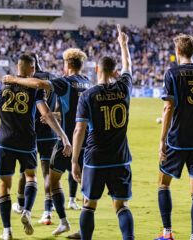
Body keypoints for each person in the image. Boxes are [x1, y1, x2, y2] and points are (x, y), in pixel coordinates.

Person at [2, 48, 92, 236]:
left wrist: (15, 79)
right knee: (84, 183)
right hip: (86, 140)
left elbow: (40, 84)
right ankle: (82, 229)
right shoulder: (87, 83)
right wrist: (58, 114)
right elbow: (79, 109)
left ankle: (64, 221)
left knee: (52, 180)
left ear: (67, 64)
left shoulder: (66, 82)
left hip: (68, 140)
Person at [0, 54, 71, 240]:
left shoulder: (1, 85)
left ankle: (7, 231)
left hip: (4, 141)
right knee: (31, 177)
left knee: (4, 185)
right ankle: (27, 212)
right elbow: (46, 114)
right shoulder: (34, 89)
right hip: (27, 141)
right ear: (33, 69)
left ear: (17, 66)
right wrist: (63, 136)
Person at [71, 24, 134, 240]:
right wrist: (123, 45)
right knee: (122, 206)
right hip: (120, 157)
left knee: (89, 205)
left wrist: (74, 161)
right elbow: (129, 66)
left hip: (95, 158)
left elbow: (79, 129)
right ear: (115, 72)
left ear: (96, 70)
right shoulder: (124, 88)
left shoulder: (88, 96)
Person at [154, 34, 193, 240]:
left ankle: (167, 233)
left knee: (163, 183)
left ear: (178, 51)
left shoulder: (172, 73)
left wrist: (162, 140)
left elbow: (168, 106)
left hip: (177, 140)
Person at [11, 53, 59, 225]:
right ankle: (48, 210)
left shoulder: (28, 80)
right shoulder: (53, 77)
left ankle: (22, 205)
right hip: (50, 131)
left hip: (30, 131)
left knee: (27, 171)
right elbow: (59, 103)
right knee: (47, 171)